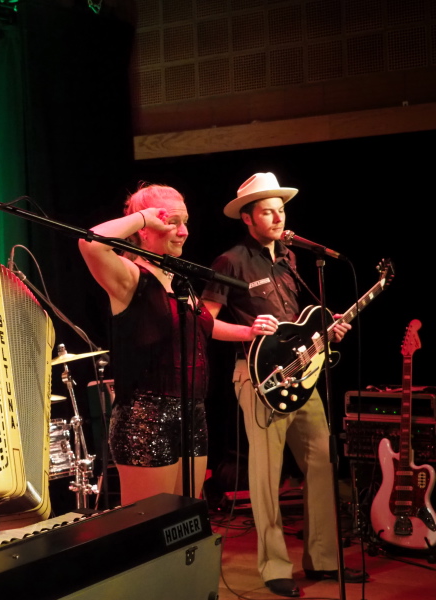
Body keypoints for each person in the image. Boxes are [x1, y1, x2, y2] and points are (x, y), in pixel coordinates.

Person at [201, 172, 367, 597]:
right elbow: (204, 321)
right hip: (258, 379)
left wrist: (326, 332)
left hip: (301, 376)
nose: (277, 218)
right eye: (267, 212)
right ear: (247, 218)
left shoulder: (291, 259)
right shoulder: (230, 261)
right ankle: (274, 567)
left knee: (322, 463)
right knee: (266, 475)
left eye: (281, 210)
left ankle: (323, 560)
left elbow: (296, 326)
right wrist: (247, 331)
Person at [78, 183, 278, 506]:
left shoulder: (177, 280)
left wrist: (248, 332)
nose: (183, 232)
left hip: (192, 413)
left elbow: (205, 326)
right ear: (144, 229)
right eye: (172, 222)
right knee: (151, 524)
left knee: (186, 520)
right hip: (146, 417)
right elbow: (90, 242)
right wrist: (144, 217)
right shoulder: (130, 277)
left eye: (185, 222)